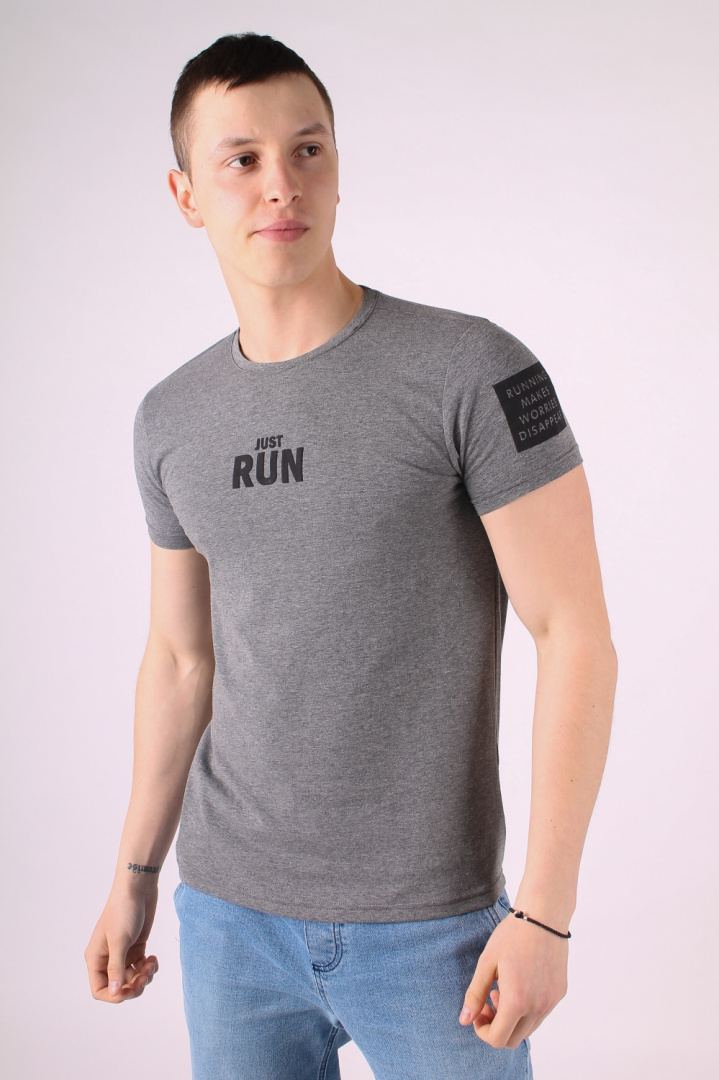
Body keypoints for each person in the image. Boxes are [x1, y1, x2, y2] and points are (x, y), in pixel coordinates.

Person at [84, 32, 617, 1080]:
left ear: (336, 165)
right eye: (241, 159)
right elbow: (181, 660)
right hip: (229, 920)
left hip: (435, 931)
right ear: (186, 195)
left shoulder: (474, 372)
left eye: (308, 149)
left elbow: (575, 634)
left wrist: (544, 914)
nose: (280, 184)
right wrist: (134, 874)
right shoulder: (170, 419)